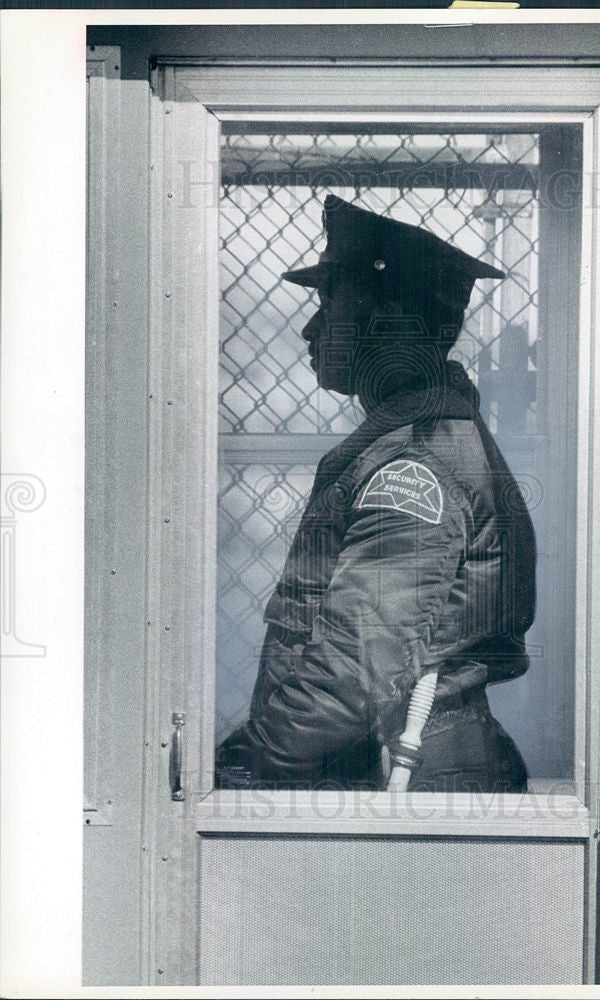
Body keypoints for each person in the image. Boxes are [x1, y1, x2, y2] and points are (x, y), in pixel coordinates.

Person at [215, 194, 536, 792]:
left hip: (406, 773)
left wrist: (239, 769)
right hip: (412, 764)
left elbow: (350, 681)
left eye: (329, 302)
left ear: (382, 319)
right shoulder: (415, 441)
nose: (312, 327)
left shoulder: (415, 462)